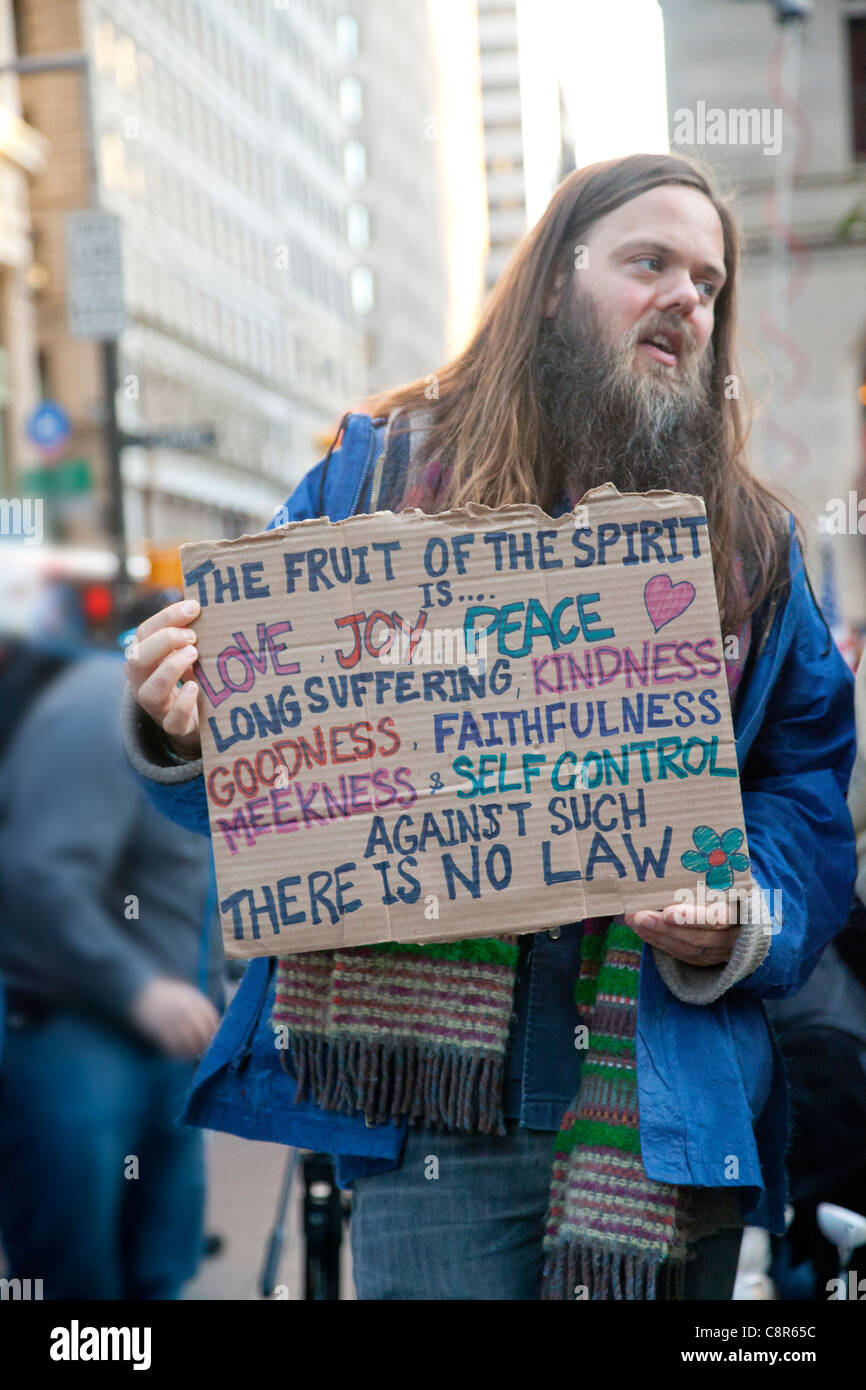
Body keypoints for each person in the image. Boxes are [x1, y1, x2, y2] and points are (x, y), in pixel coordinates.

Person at [121, 153, 856, 1300]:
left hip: (662, 1104)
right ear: (555, 283)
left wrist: (741, 912)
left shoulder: (752, 548)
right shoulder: (371, 481)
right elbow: (255, 769)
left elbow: (807, 786)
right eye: (648, 263)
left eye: (708, 283)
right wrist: (182, 726)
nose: (685, 300)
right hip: (432, 1120)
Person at [0, 604, 223, 1299]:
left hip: (162, 1050)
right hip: (75, 1044)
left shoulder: (198, 726)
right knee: (79, 1290)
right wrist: (139, 990)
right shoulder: (100, 707)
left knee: (155, 1278)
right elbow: (39, 877)